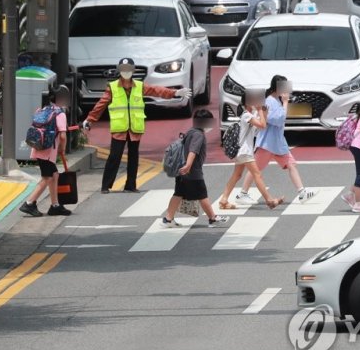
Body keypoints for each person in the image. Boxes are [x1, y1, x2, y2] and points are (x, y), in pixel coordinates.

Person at [83, 57, 192, 194]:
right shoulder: (113, 87)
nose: (126, 72)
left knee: (133, 157)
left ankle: (130, 185)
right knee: (114, 156)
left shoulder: (139, 86)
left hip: (135, 128)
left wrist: (174, 93)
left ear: (133, 71)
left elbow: (156, 91)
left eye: (128, 70)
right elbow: (101, 104)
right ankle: (106, 185)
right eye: (123, 70)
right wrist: (90, 119)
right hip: (120, 128)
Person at [235, 75, 316, 205]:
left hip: (277, 143)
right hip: (267, 143)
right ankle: (242, 194)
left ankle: (302, 192)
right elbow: (278, 120)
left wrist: (283, 103)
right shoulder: (269, 101)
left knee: (291, 165)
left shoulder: (275, 100)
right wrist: (285, 102)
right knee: (255, 169)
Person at [162, 110, 230, 228]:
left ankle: (168, 219)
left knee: (178, 193)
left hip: (182, 169)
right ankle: (212, 218)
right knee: (202, 194)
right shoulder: (198, 135)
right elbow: (193, 151)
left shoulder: (190, 131)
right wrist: (188, 166)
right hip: (192, 171)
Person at [218, 90, 284, 210]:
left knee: (237, 175)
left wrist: (263, 112)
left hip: (242, 151)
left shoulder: (248, 115)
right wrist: (260, 110)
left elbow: (260, 127)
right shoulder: (246, 115)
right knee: (257, 174)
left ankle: (224, 200)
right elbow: (263, 125)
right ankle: (269, 200)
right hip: (244, 151)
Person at [19, 86, 72, 217]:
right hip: (48, 151)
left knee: (54, 175)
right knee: (47, 177)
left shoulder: (42, 109)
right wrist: (62, 149)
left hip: (38, 147)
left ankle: (55, 206)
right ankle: (29, 203)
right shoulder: (60, 114)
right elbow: (63, 136)